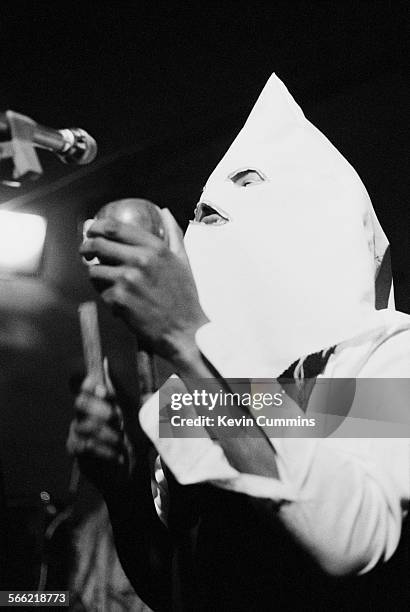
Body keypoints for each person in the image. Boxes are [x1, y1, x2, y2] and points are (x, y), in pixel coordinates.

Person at [67, 74, 409, 611]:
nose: (203, 222)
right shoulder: (198, 388)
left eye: (246, 186)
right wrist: (123, 485)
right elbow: (173, 586)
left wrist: (188, 339)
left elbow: (351, 538)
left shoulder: (386, 358)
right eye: (201, 213)